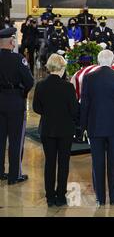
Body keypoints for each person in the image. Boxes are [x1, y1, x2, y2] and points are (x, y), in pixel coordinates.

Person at [80, 50, 114, 206]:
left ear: (98, 61)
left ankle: (100, 197)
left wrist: (83, 127)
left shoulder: (88, 78)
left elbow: (85, 104)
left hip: (95, 125)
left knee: (97, 162)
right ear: (112, 61)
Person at [32, 54, 79, 206]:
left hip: (47, 129)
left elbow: (36, 108)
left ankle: (50, 197)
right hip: (65, 130)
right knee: (63, 163)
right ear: (62, 68)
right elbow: (74, 110)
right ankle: (60, 196)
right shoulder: (68, 87)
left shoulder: (40, 85)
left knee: (49, 163)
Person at [0, 27, 34, 184]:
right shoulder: (18, 59)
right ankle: (14, 175)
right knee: (15, 140)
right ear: (12, 41)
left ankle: (0, 172)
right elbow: (29, 81)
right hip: (15, 101)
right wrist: (23, 93)